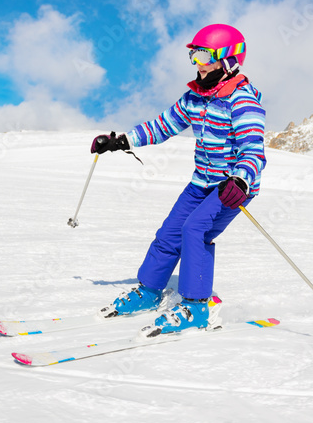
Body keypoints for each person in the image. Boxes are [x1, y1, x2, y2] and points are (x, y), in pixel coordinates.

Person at [90, 23, 267, 337]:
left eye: (204, 56)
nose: (198, 64)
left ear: (227, 60)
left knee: (195, 230)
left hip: (231, 189)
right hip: (201, 182)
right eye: (194, 56)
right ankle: (149, 292)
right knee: (170, 232)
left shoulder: (243, 102)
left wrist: (240, 179)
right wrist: (122, 141)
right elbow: (163, 125)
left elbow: (253, 147)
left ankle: (196, 308)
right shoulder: (194, 98)